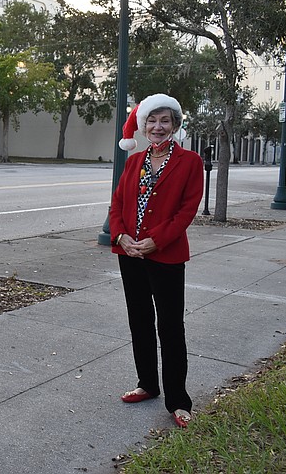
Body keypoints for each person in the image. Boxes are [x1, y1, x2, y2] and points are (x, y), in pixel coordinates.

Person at [110, 93, 203, 429]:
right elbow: (117, 204)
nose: (158, 126)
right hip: (130, 254)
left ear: (175, 125)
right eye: (152, 120)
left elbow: (186, 211)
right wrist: (120, 237)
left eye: (165, 120)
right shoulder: (134, 161)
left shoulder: (190, 162)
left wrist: (156, 240)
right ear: (143, 125)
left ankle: (178, 401)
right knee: (139, 321)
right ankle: (147, 384)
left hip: (165, 255)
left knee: (170, 326)